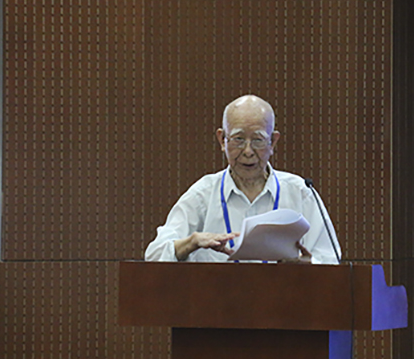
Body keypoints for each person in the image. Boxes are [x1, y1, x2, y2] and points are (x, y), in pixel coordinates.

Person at [144, 95, 341, 264]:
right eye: (238, 139)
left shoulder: (300, 192)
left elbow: (331, 260)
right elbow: (154, 255)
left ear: (273, 142)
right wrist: (191, 242)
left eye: (258, 140)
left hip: (284, 295)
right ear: (222, 140)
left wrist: (308, 266)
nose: (248, 151)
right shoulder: (203, 195)